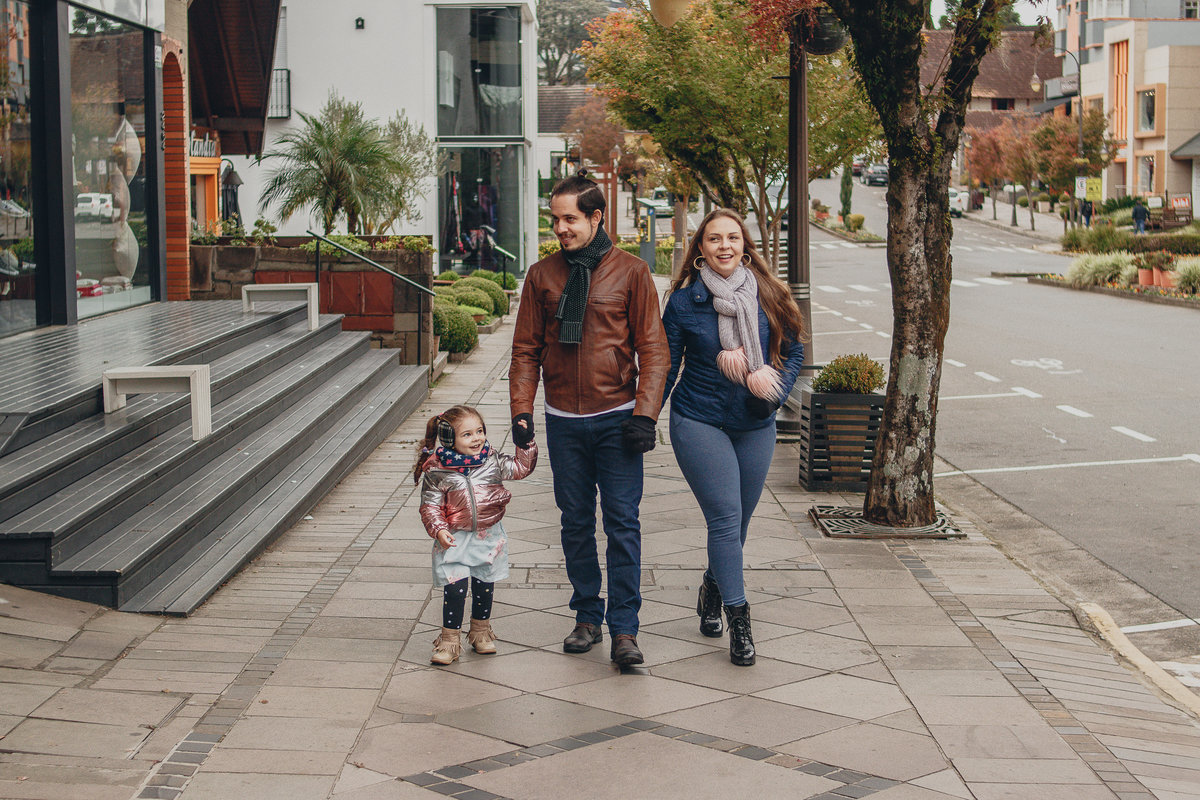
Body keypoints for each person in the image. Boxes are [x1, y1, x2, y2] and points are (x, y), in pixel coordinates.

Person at [509, 172, 669, 667]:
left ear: (596, 217)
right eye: (554, 219)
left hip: (618, 418)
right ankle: (585, 616)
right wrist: (521, 413)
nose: (560, 228)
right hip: (563, 420)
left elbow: (654, 349)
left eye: (570, 219)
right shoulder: (542, 275)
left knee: (622, 524)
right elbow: (524, 351)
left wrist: (645, 414)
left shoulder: (632, 272)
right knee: (575, 523)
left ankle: (625, 629)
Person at [661, 209, 805, 666]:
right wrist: (644, 418)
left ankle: (711, 586)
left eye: (733, 238)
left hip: (754, 423)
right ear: (699, 249)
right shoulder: (684, 303)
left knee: (737, 525)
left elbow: (794, 348)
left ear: (745, 245)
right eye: (714, 239)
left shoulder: (768, 292)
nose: (725, 246)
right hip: (699, 420)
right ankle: (739, 622)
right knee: (724, 518)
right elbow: (667, 366)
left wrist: (777, 393)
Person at [414, 404, 537, 665]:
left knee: (484, 585)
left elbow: (520, 468)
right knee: (455, 589)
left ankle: (481, 632)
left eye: (479, 431)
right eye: (467, 434)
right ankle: (449, 640)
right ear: (449, 439)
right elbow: (430, 506)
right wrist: (439, 529)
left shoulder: (492, 460)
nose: (477, 438)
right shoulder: (437, 471)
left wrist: (526, 444)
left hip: (487, 536)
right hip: (454, 539)